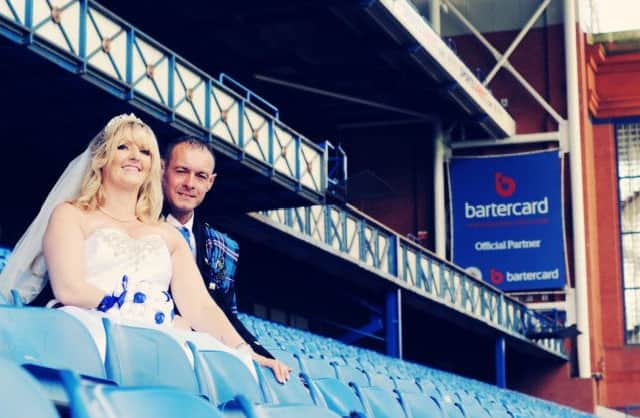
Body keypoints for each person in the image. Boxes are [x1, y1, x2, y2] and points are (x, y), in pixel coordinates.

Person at [0, 114, 289, 383]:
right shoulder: (70, 214)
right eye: (123, 146)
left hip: (158, 338)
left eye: (145, 151)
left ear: (152, 165)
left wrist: (243, 349)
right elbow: (69, 289)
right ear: (102, 157)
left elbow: (200, 307)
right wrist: (143, 311)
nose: (135, 157)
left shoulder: (166, 234)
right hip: (89, 330)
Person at [162, 137, 276, 361]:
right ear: (163, 170)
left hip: (209, 355)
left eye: (200, 176)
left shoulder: (225, 246)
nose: (190, 183)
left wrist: (260, 354)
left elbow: (227, 313)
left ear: (210, 183)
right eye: (181, 171)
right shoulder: (137, 226)